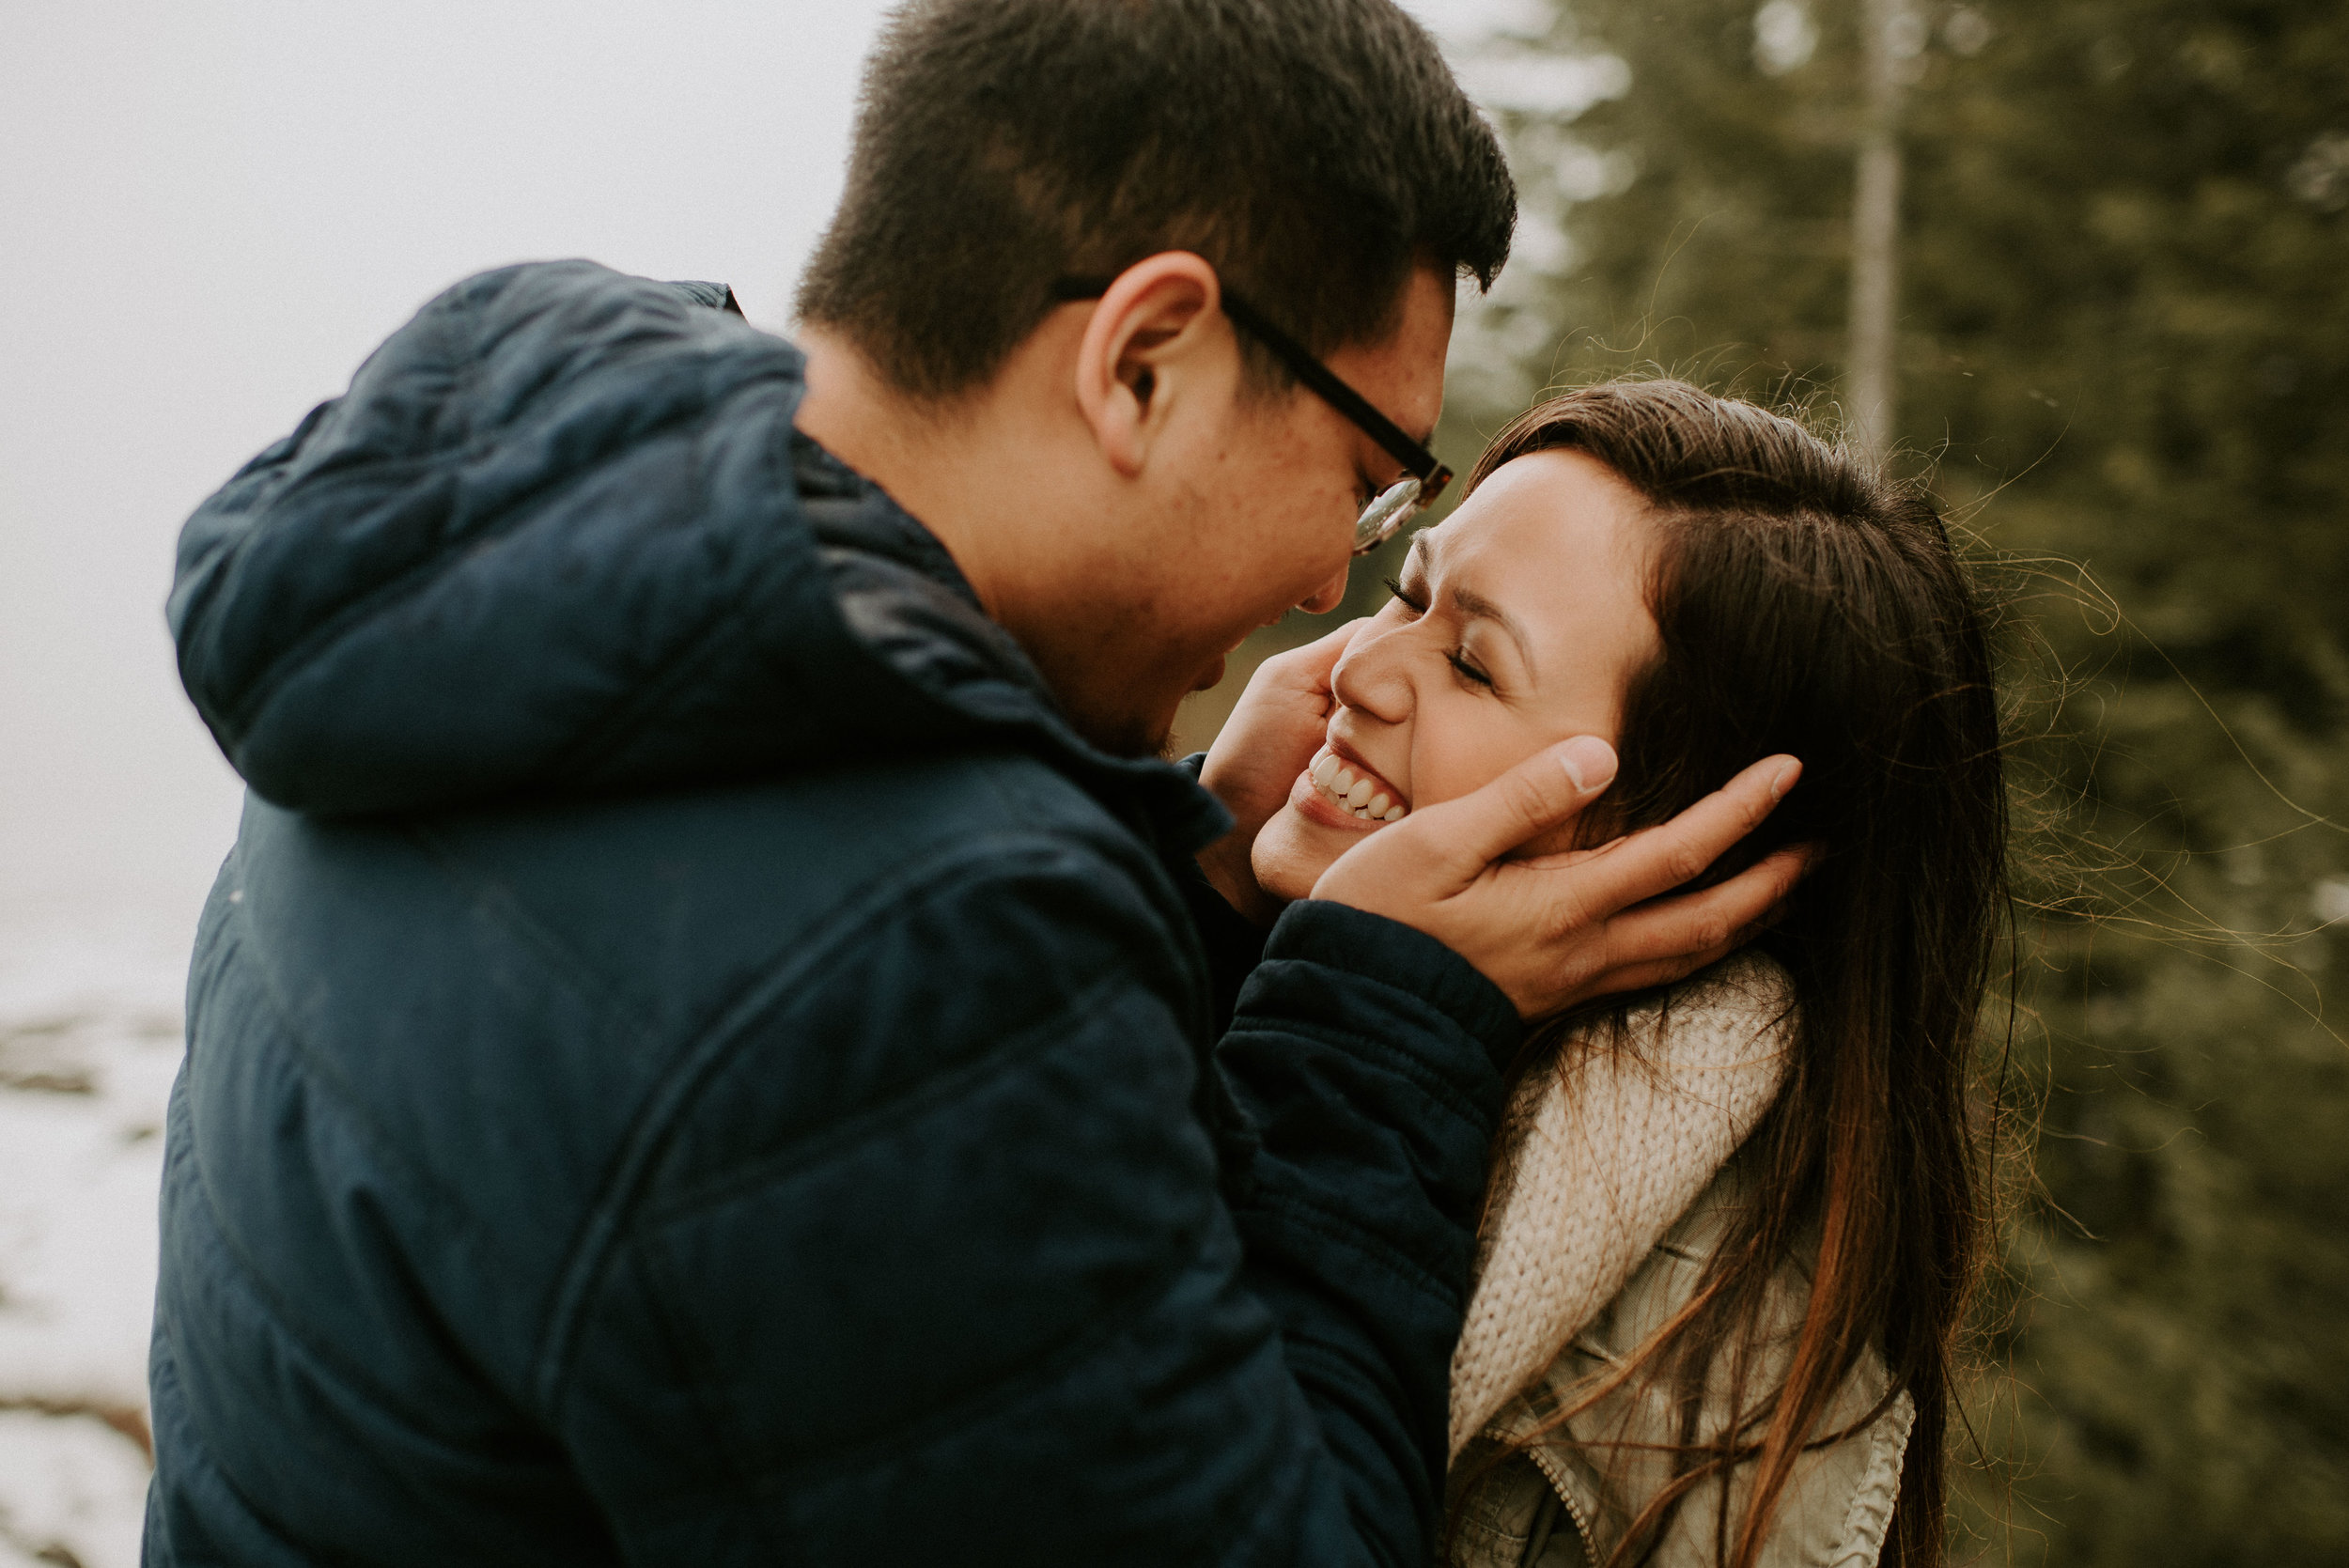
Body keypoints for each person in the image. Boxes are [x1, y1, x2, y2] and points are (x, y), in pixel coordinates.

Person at [144, 3, 1806, 1563]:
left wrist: (1193, 869)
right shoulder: (905, 941)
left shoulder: (543, 578)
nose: (1329, 589)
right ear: (1144, 357)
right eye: (1370, 481)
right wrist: (1380, 1017)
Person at [1229, 381, 2005, 1566]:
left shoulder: (1697, 1395)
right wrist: (1193, 872)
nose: (1361, 675)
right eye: (1409, 593)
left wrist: (1377, 1003)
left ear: (1671, 854)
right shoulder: (1243, 946)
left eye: (1475, 666)